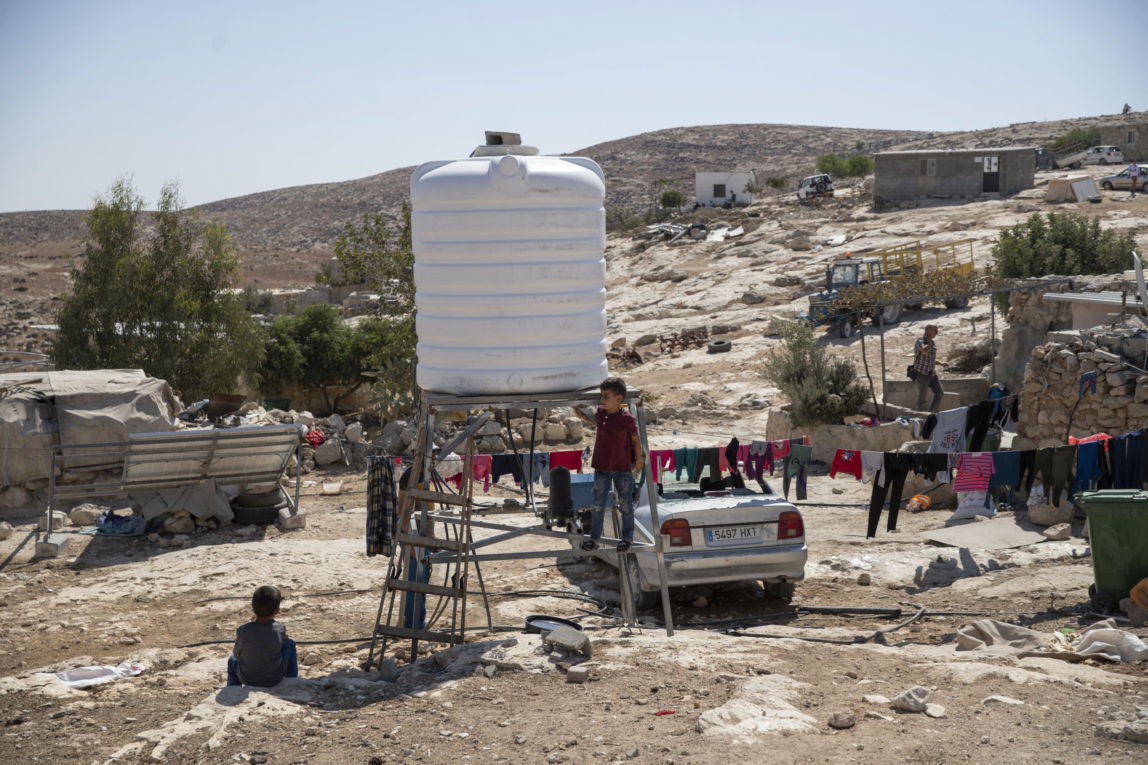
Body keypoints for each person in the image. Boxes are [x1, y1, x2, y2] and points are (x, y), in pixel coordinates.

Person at [575, 377, 643, 553]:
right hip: (602, 467)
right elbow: (599, 423)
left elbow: (635, 439)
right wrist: (581, 412)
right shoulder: (600, 413)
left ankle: (627, 537)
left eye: (606, 396)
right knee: (597, 504)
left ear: (618, 399)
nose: (602, 400)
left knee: (625, 503)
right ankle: (595, 539)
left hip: (622, 468)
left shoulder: (626, 419)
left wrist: (639, 460)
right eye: (601, 396)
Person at [227, 585, 298, 687]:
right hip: (274, 679)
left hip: (247, 679)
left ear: (252, 607)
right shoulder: (279, 629)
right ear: (276, 611)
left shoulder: (243, 630)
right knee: (289, 643)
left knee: (231, 660)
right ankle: (291, 681)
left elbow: (236, 655)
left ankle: (233, 690)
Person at [912, 324, 947, 412]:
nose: (937, 333)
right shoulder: (920, 341)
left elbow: (931, 359)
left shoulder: (932, 342)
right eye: (935, 331)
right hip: (922, 374)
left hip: (932, 373)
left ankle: (931, 413)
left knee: (939, 393)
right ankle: (919, 417)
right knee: (922, 399)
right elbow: (924, 351)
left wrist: (941, 363)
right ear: (928, 331)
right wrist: (930, 343)